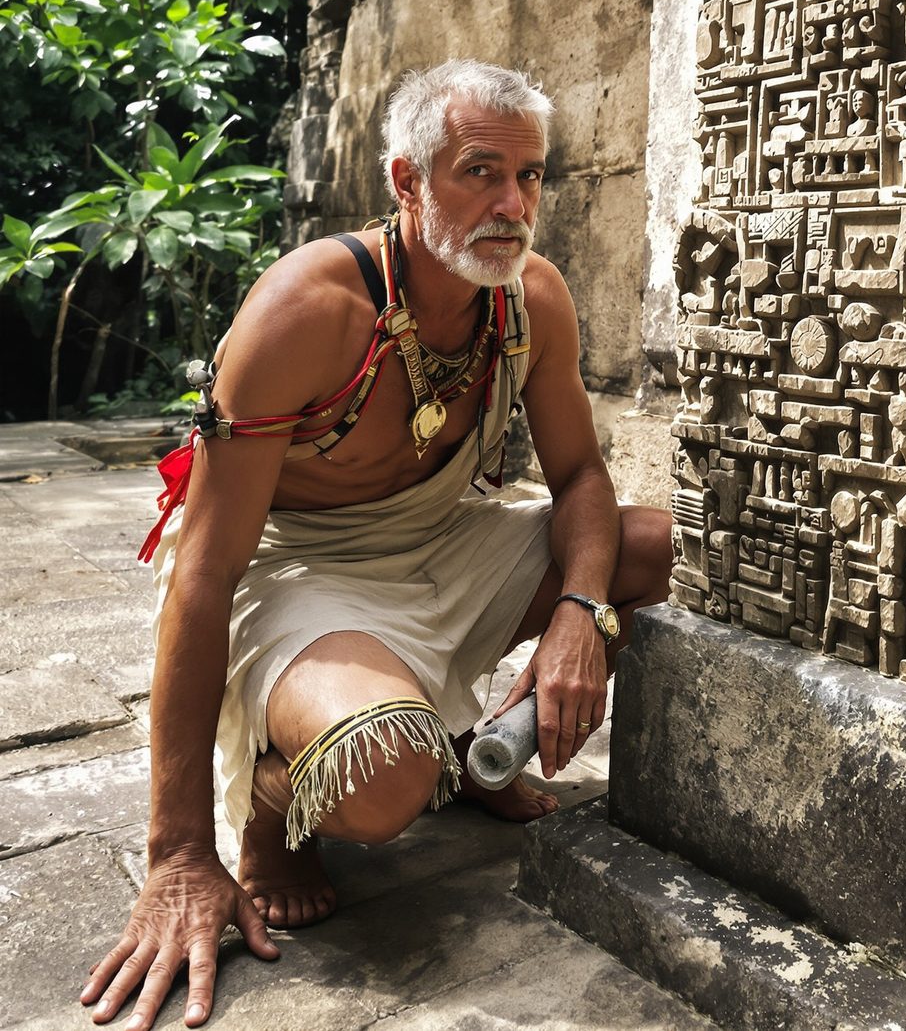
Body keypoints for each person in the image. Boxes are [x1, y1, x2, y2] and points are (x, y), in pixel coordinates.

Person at [80, 59, 672, 1031]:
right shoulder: (305, 309)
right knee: (382, 774)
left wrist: (578, 616)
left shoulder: (534, 298)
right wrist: (181, 850)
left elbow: (581, 481)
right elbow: (206, 570)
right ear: (406, 182)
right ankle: (280, 802)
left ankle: (472, 747)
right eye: (481, 171)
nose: (513, 203)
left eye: (530, 177)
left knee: (650, 551)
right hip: (305, 570)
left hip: (447, 546)